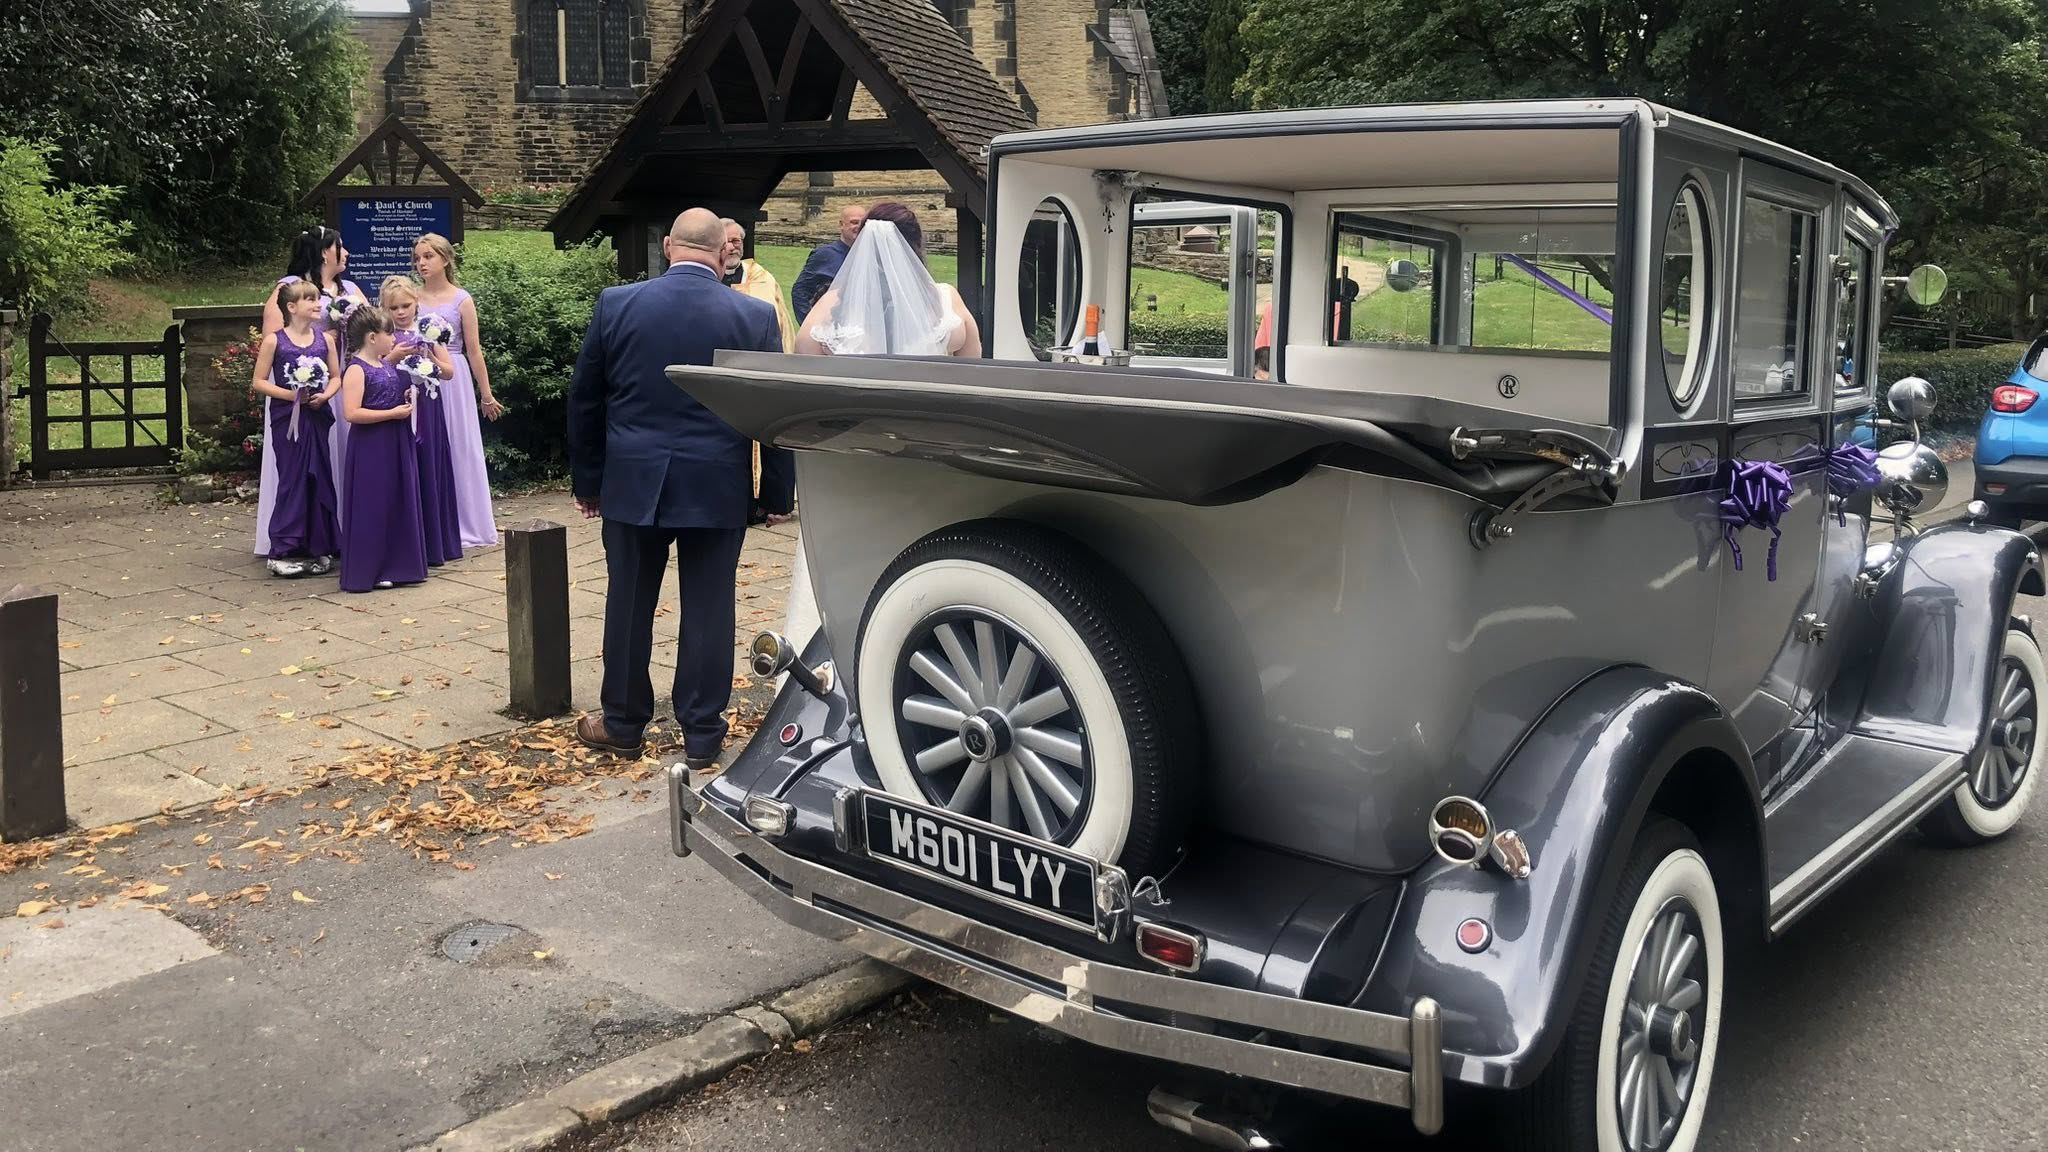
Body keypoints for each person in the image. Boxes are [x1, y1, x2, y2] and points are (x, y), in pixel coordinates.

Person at [566, 208, 796, 767]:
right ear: (723, 254)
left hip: (632, 480)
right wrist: (774, 496)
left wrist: (589, 483)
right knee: (710, 607)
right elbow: (776, 411)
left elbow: (586, 400)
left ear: (668, 246)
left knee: (628, 603)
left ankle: (622, 724)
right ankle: (702, 734)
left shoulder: (617, 304)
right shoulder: (754, 316)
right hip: (716, 483)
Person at [784, 202, 980, 654]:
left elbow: (800, 362)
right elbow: (975, 370)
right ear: (917, 246)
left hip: (855, 457)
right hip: (930, 458)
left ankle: (827, 662)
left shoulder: (834, 305)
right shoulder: (946, 299)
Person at [255, 227, 366, 558]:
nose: (345, 253)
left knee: (340, 460)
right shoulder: (289, 289)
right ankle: (292, 536)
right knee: (298, 467)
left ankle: (337, 531)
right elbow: (275, 342)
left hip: (340, 387)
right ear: (324, 252)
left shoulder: (351, 290)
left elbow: (373, 331)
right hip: (296, 396)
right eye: (339, 247)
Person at [795, 202, 981, 358]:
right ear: (916, 244)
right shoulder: (945, 298)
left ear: (863, 244)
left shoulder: (832, 301)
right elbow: (973, 365)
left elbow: (804, 353)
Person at [414, 233, 503, 550]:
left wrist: (486, 393)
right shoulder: (413, 298)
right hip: (420, 375)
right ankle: (430, 522)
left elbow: (474, 350)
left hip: (455, 376)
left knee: (459, 445)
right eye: (419, 257)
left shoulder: (461, 300)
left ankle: (467, 522)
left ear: (445, 259)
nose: (422, 263)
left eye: (428, 256)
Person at [247, 280, 341, 577]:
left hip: (316, 414)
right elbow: (259, 381)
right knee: (292, 479)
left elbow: (337, 376)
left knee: (318, 476)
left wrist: (325, 395)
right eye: (310, 299)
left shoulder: (325, 340)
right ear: (291, 307)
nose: (318, 304)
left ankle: (317, 545)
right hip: (287, 418)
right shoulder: (275, 341)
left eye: (318, 299)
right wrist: (292, 395)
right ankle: (284, 547)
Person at [337, 306, 428, 593]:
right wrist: (391, 414)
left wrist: (402, 397)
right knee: (372, 504)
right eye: (389, 333)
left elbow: (385, 394)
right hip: (371, 447)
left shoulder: (385, 365)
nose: (393, 338)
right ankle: (370, 569)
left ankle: (397, 564)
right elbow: (351, 413)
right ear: (372, 337)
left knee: (394, 500)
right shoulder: (355, 369)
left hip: (394, 441)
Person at [718, 217, 796, 523]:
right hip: (723, 375)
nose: (734, 246)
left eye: (738, 240)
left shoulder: (763, 278)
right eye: (728, 241)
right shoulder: (709, 278)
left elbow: (781, 322)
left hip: (759, 372)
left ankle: (772, 502)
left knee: (768, 438)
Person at [381, 276, 462, 567]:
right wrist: (393, 356)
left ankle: (434, 542)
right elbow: (372, 368)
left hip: (428, 407)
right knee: (402, 470)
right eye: (394, 308)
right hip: (398, 408)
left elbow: (449, 371)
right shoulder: (384, 334)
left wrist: (429, 357)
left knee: (429, 467)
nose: (401, 312)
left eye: (405, 305)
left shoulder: (427, 330)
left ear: (416, 303)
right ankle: (405, 541)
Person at [790, 204, 865, 326]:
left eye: (862, 224)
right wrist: (810, 326)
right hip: (828, 328)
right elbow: (800, 291)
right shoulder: (824, 254)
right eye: (854, 222)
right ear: (841, 225)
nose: (858, 227)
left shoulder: (868, 256)